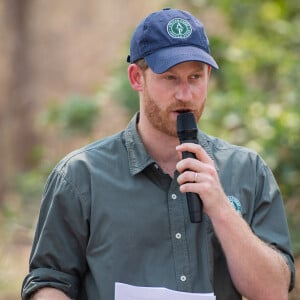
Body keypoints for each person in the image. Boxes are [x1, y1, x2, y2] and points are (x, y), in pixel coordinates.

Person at [21, 8, 295, 300]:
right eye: (170, 78)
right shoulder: (80, 176)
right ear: (137, 78)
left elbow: (274, 291)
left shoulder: (247, 170)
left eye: (195, 77)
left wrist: (221, 209)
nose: (185, 94)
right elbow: (49, 282)